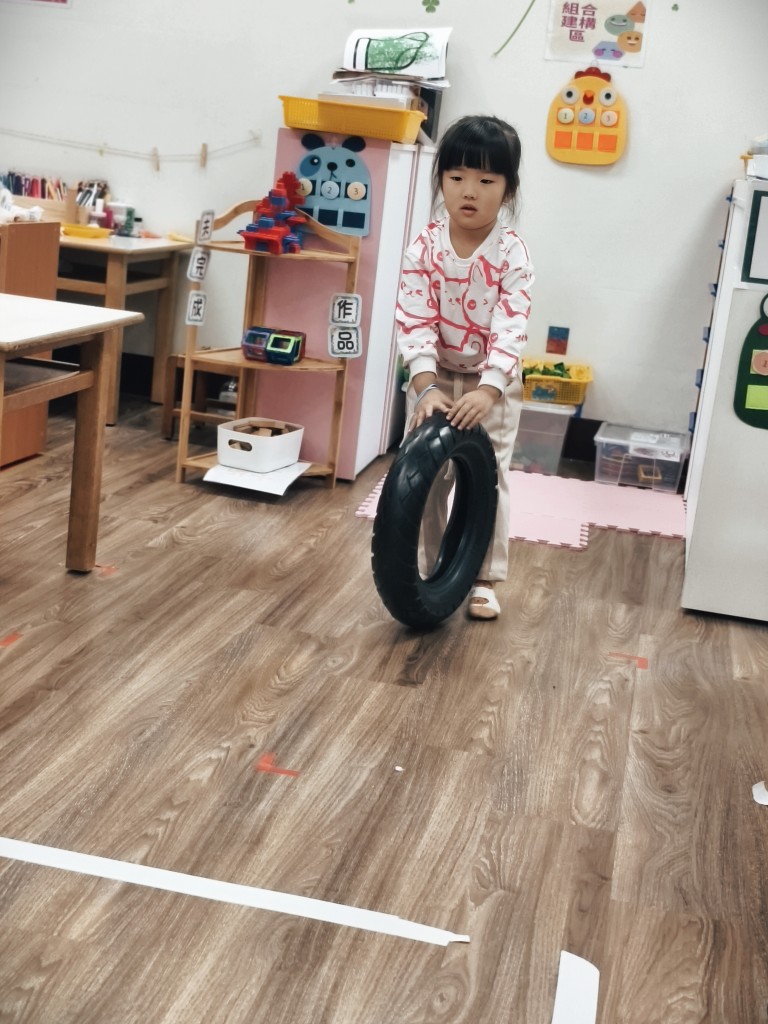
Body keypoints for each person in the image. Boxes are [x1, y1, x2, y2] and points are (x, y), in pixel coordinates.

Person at [395, 114, 534, 621]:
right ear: (441, 181)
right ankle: (432, 570)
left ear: (508, 190)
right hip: (433, 378)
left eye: (486, 180)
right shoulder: (424, 247)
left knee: (488, 476)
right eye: (456, 177)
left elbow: (511, 326)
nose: (469, 191)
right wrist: (425, 386)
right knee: (425, 475)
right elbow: (414, 318)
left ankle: (483, 577)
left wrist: (489, 389)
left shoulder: (512, 255)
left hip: (491, 384)